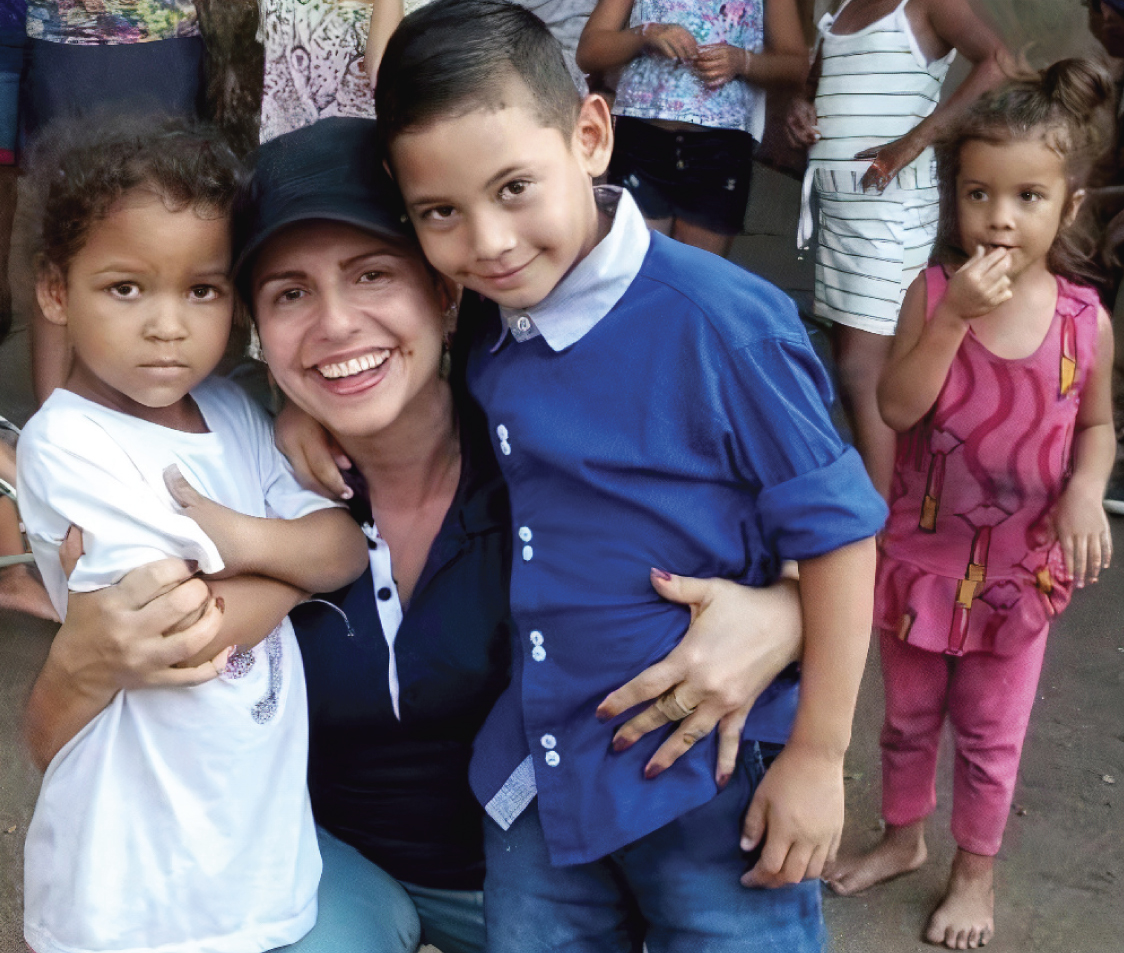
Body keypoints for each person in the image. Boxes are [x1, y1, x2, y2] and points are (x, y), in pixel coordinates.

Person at [25, 115, 810, 953]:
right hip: (317, 870)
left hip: (540, 878)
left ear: (442, 287)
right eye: (290, 293)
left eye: (373, 274)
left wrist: (787, 612)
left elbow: (796, 521)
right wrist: (77, 669)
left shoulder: (546, 454)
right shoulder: (251, 456)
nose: (336, 324)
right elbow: (92, 716)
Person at [372, 2, 886, 948]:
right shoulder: (489, 324)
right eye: (441, 212)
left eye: (514, 187)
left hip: (713, 779)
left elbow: (841, 533)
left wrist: (819, 755)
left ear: (591, 136)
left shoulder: (724, 323)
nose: (488, 240)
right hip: (543, 776)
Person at [17, 116, 369, 953]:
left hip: (251, 857)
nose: (168, 325)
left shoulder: (234, 411)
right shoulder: (68, 442)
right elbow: (184, 630)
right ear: (57, 291)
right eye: (126, 288)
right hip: (131, 872)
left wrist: (239, 542)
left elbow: (347, 547)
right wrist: (294, 568)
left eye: (202, 290)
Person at [825, 60, 1116, 950]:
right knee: (906, 719)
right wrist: (951, 320)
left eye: (1029, 197)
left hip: (1019, 571)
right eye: (979, 193)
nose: (999, 217)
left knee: (992, 735)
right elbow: (896, 406)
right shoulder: (930, 295)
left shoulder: (1085, 321)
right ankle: (903, 837)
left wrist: (1086, 489)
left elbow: (1097, 424)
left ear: (1068, 207)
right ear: (955, 199)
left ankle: (975, 871)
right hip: (923, 559)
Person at [785, 0, 1006, 497]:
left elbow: (999, 62)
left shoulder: (928, 4)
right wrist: (802, 107)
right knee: (855, 359)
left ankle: (879, 517)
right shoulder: (843, 5)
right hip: (843, 209)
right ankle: (882, 497)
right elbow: (817, 81)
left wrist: (912, 142)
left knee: (861, 368)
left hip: (892, 209)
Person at [575, 0, 806, 258]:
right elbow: (588, 52)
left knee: (695, 273)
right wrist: (645, 34)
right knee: (634, 270)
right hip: (641, 139)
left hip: (719, 149)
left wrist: (744, 61)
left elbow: (796, 66)